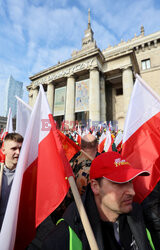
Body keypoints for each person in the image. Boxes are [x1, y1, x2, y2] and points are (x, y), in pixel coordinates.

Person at [42, 152, 153, 250]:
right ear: (95, 186)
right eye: (120, 184)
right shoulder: (64, 237)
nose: (132, 192)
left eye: (130, 182)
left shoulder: (137, 216)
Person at [0, 133, 23, 230]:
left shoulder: (26, 175)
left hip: (15, 230)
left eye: (20, 149)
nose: (18, 152)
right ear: (3, 150)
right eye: (13, 149)